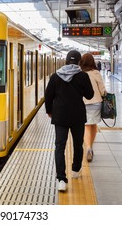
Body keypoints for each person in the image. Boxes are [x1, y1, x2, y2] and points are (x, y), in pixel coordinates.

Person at [45, 50, 94, 192]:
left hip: (60, 116)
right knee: (78, 144)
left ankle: (61, 179)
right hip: (77, 116)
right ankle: (76, 170)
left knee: (59, 147)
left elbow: (48, 96)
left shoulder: (55, 76)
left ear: (66, 61)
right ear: (79, 61)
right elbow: (90, 95)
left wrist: (49, 111)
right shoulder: (83, 76)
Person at [80, 53, 107, 162]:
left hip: (83, 102)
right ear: (92, 62)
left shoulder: (80, 73)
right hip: (96, 102)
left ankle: (87, 148)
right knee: (93, 124)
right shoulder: (96, 73)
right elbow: (102, 90)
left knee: (85, 125)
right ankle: (90, 147)